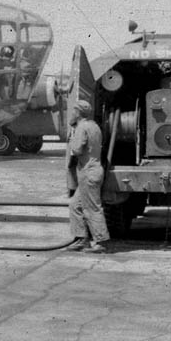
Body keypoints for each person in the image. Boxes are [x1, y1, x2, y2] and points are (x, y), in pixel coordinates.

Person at [66, 99, 110, 253]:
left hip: (88, 171)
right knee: (75, 205)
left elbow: (77, 149)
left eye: (73, 111)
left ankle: (100, 241)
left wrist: (71, 139)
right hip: (94, 169)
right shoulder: (94, 126)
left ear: (78, 113)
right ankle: (80, 239)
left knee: (92, 208)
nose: (71, 113)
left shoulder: (81, 127)